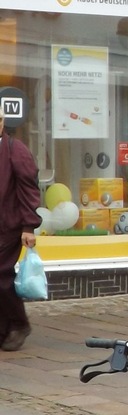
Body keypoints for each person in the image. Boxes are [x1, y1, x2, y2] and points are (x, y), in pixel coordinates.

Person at [0, 107, 42, 352]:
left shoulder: (16, 151)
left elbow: (29, 190)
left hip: (8, 227)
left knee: (3, 278)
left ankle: (19, 324)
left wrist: (28, 226)